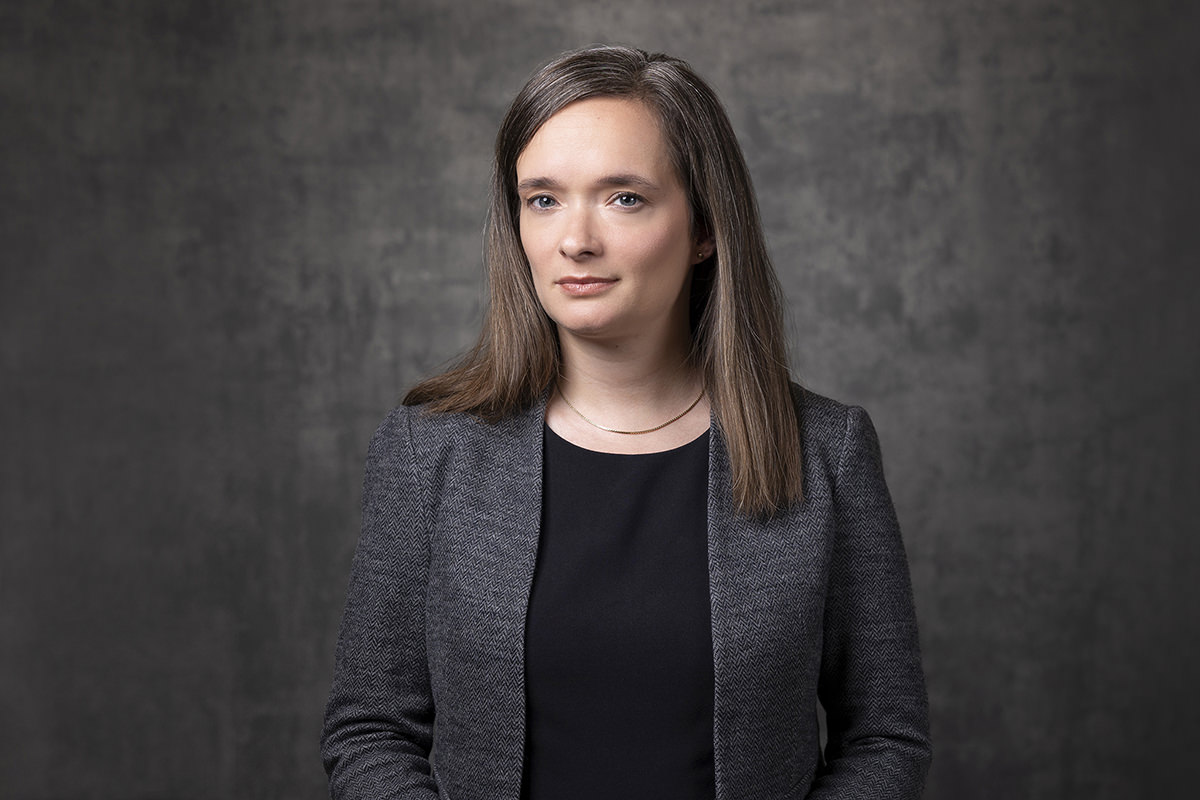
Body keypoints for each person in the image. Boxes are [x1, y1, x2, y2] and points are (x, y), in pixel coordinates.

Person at [321, 45, 931, 800]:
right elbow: (370, 731)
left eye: (624, 198)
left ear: (705, 226)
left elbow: (885, 736)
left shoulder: (827, 452)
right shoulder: (429, 451)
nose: (575, 239)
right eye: (542, 199)